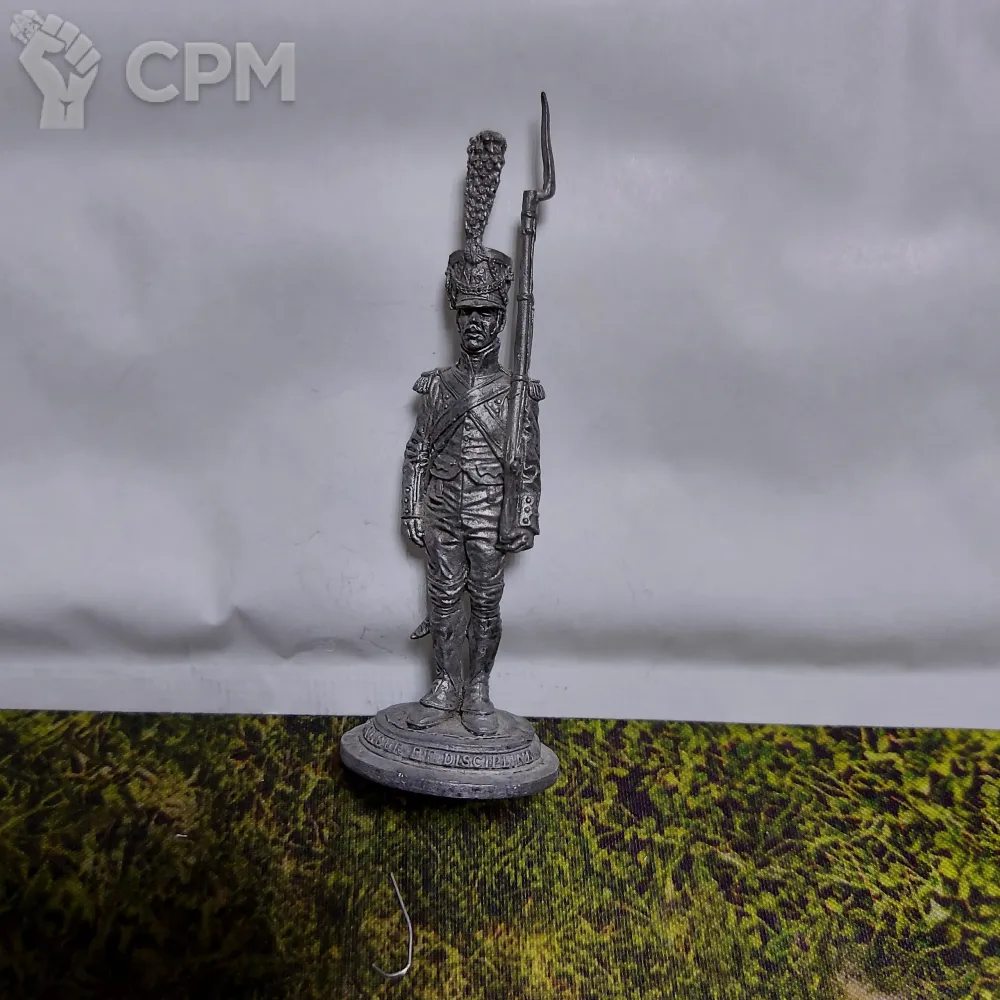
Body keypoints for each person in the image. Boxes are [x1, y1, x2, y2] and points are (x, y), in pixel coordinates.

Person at [400, 130, 543, 737]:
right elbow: (417, 452)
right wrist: (412, 509)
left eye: (487, 314)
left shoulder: (517, 394)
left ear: (501, 318)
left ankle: (478, 689)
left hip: (489, 509)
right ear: (456, 317)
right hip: (441, 506)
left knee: (485, 601)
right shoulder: (436, 386)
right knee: (441, 597)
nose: (477, 324)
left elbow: (528, 466)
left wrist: (524, 518)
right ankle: (442, 686)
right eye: (468, 314)